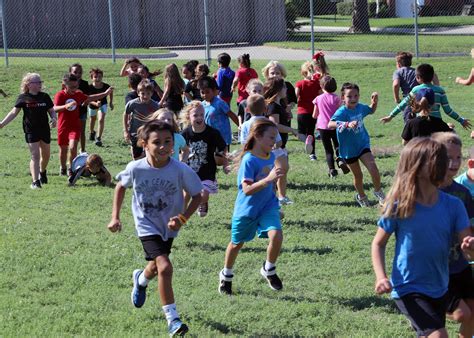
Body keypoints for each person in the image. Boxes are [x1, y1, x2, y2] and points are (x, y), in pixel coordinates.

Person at [371, 137, 474, 338]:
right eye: (438, 159)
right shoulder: (400, 205)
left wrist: (470, 246)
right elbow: (378, 243)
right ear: (416, 166)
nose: (446, 163)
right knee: (438, 335)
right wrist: (381, 277)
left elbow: (467, 246)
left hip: (440, 286)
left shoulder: (454, 205)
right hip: (408, 286)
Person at [107, 121, 202, 336]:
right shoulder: (136, 168)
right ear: (144, 145)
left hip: (169, 226)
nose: (163, 147)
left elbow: (198, 195)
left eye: (167, 142)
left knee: (155, 266)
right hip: (146, 224)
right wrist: (115, 217)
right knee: (165, 266)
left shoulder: (180, 169)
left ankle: (140, 280)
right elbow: (120, 186)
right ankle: (173, 320)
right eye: (156, 142)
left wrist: (182, 218)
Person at [219, 119, 284, 296]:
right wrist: (268, 179)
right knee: (236, 244)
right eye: (271, 137)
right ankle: (226, 275)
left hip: (267, 207)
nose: (275, 141)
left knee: (277, 235)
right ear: (257, 136)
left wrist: (277, 203)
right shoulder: (249, 160)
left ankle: (269, 269)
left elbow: (271, 184)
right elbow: (247, 190)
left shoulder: (270, 156)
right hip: (247, 210)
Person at [431, 132, 474, 338]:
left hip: (460, 265)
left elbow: (470, 228)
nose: (454, 163)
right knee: (460, 314)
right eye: (448, 158)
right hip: (435, 270)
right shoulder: (424, 191)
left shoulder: (462, 193)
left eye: (458, 157)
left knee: (472, 314)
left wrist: (470, 243)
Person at [328, 83, 385, 207]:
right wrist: (346, 124)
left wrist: (374, 102)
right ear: (343, 97)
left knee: (373, 168)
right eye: (349, 96)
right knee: (358, 176)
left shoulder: (360, 107)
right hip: (349, 150)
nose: (353, 99)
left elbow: (371, 110)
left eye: (356, 96)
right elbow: (330, 124)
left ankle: (378, 192)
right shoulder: (342, 111)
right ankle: (362, 197)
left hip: (362, 144)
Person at [0, 73, 57, 189]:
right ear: (29, 84)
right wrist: (2, 124)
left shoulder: (45, 96)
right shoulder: (23, 98)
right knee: (35, 156)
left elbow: (51, 110)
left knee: (46, 155)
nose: (40, 84)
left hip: (44, 129)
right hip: (31, 130)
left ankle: (43, 171)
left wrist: (54, 118)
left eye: (40, 82)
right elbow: (13, 113)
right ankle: (35, 181)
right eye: (37, 82)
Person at [54, 73, 113, 177]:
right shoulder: (60, 95)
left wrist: (105, 93)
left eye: (76, 86)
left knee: (73, 148)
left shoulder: (77, 94)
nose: (74, 89)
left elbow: (90, 98)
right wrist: (66, 106)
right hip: (63, 127)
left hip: (75, 126)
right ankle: (62, 167)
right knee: (63, 149)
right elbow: (55, 108)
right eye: (72, 87)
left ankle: (71, 169)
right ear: (64, 85)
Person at [381, 64, 471, 130]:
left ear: (417, 78)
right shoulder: (440, 90)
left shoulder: (415, 90)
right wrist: (461, 120)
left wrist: (391, 116)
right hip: (437, 124)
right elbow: (448, 110)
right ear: (432, 77)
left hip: (420, 123)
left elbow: (403, 104)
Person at [181, 101, 228, 217]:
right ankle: (181, 215)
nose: (199, 117)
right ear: (188, 117)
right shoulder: (185, 134)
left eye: (202, 114)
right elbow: (180, 151)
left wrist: (225, 164)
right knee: (185, 196)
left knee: (203, 193)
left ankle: (203, 202)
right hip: (189, 171)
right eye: (195, 115)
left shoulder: (213, 133)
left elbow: (223, 148)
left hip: (207, 172)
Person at [264, 77, 304, 206]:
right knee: (280, 170)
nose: (287, 89)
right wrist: (293, 130)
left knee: (283, 171)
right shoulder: (272, 106)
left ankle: (281, 197)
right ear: (278, 89)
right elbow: (274, 125)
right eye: (285, 87)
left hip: (281, 144)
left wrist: (287, 114)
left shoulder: (279, 104)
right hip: (274, 144)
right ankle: (270, 197)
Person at [312, 76, 349, 178]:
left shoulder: (318, 99)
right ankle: (340, 160)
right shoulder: (337, 98)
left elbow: (314, 115)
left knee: (328, 150)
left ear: (321, 86)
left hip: (323, 127)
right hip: (335, 125)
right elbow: (341, 112)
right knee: (337, 145)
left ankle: (332, 170)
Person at [198, 76, 239, 149]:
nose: (205, 95)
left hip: (223, 138)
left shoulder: (220, 103)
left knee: (222, 159)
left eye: (207, 92)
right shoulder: (202, 105)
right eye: (202, 92)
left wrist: (240, 126)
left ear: (213, 91)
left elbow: (231, 115)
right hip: (209, 138)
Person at [123, 79, 160, 160]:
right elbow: (125, 114)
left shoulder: (155, 106)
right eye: (143, 93)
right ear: (138, 93)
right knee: (136, 157)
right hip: (135, 133)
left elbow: (157, 119)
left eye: (148, 93)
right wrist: (126, 131)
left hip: (149, 133)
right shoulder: (133, 104)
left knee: (151, 154)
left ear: (152, 93)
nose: (145, 96)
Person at [295, 61, 321, 161]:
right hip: (313, 112)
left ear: (303, 73)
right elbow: (320, 96)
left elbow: (295, 96)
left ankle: (306, 140)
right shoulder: (316, 84)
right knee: (311, 132)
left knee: (300, 133)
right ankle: (312, 155)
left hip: (302, 112)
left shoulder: (299, 84)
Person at [87, 68, 114, 147]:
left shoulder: (106, 86)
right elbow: (87, 99)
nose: (98, 79)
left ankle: (98, 138)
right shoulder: (89, 87)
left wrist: (111, 102)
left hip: (103, 104)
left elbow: (110, 92)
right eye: (95, 77)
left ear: (102, 77)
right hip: (92, 104)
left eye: (99, 77)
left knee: (101, 119)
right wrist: (95, 104)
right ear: (92, 78)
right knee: (92, 119)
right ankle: (92, 132)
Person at [70, 63, 91, 153]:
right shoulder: (67, 84)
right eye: (75, 72)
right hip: (70, 112)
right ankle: (71, 148)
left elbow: (88, 97)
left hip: (82, 111)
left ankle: (82, 149)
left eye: (80, 72)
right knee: (71, 131)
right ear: (70, 72)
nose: (77, 74)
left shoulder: (85, 84)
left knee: (82, 131)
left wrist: (85, 102)